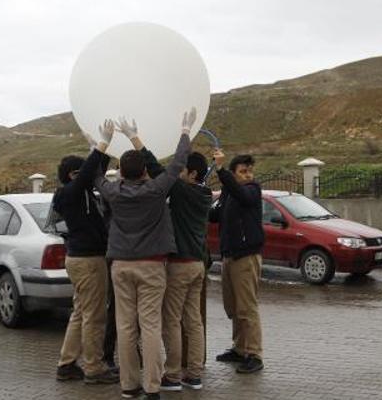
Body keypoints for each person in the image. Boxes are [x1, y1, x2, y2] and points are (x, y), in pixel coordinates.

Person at [92, 110, 196, 400]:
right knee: (150, 325)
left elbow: (95, 175)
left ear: (122, 172)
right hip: (152, 266)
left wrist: (99, 144)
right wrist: (184, 130)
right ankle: (152, 387)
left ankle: (128, 386)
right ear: (145, 172)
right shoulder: (156, 189)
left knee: (125, 327)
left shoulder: (112, 192)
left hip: (121, 266)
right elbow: (177, 165)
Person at [116, 113, 211, 392]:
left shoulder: (182, 190)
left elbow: (157, 168)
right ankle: (194, 373)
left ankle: (172, 374)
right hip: (198, 265)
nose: (179, 173)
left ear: (191, 174)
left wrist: (135, 139)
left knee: (171, 320)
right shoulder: (205, 195)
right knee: (193, 320)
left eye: (183, 171)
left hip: (179, 265)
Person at [54, 125, 118, 385]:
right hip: (88, 261)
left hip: (83, 259)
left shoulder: (78, 194)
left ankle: (66, 364)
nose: (89, 177)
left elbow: (95, 170)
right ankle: (93, 367)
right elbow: (87, 174)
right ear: (72, 175)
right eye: (81, 173)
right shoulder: (71, 193)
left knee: (81, 312)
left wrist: (104, 149)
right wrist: (99, 147)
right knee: (94, 315)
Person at [209, 149, 265, 374]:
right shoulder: (227, 192)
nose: (248, 175)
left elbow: (243, 196)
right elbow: (214, 216)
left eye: (249, 171)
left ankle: (254, 353)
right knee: (233, 307)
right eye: (243, 171)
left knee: (247, 307)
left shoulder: (252, 189)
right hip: (229, 255)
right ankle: (239, 348)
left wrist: (221, 170)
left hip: (246, 256)